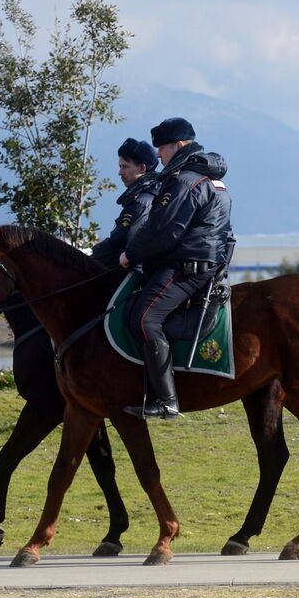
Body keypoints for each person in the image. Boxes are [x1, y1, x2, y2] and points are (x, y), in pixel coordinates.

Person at [119, 117, 233, 419]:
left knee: (144, 318)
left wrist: (130, 254)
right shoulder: (212, 180)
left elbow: (164, 230)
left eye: (162, 148)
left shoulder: (184, 181)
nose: (158, 155)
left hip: (187, 267)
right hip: (207, 264)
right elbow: (227, 234)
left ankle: (167, 400)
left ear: (178, 145)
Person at [90, 138, 161, 270]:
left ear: (142, 168)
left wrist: (92, 256)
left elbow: (122, 240)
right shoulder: (148, 193)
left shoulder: (142, 200)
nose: (120, 172)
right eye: (120, 166)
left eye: (125, 166)